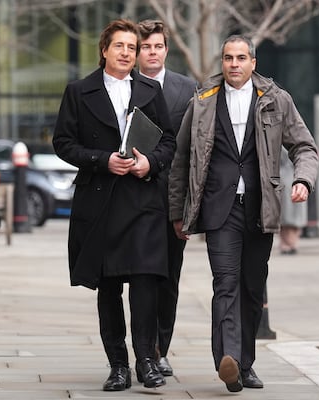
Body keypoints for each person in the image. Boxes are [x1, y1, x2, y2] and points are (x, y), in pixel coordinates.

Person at [168, 35, 318, 392]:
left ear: (253, 62)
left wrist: (303, 181)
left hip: (260, 209)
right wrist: (178, 211)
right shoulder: (202, 101)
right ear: (222, 62)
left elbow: (305, 146)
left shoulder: (276, 100)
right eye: (228, 58)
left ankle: (245, 363)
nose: (233, 64)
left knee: (252, 289)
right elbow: (180, 158)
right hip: (218, 210)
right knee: (225, 284)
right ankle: (228, 359)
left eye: (240, 58)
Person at [52, 19, 176, 392]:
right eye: (119, 46)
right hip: (101, 201)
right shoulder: (79, 91)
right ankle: (118, 366)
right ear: (104, 49)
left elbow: (168, 141)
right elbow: (63, 142)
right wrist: (101, 159)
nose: (127, 53)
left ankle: (147, 362)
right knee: (108, 287)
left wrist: (148, 163)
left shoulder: (151, 90)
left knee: (145, 283)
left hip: (143, 200)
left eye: (132, 48)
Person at [136, 19, 197, 377]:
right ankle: (143, 351)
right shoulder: (125, 87)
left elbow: (194, 149)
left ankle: (161, 349)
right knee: (141, 277)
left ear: (166, 50)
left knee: (169, 278)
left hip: (173, 199)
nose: (152, 52)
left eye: (157, 46)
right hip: (134, 197)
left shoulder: (187, 88)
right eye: (146, 47)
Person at [279, 147, 308, 255]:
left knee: (288, 214)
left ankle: (288, 243)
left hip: (290, 178)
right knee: (288, 214)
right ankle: (290, 243)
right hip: (291, 178)